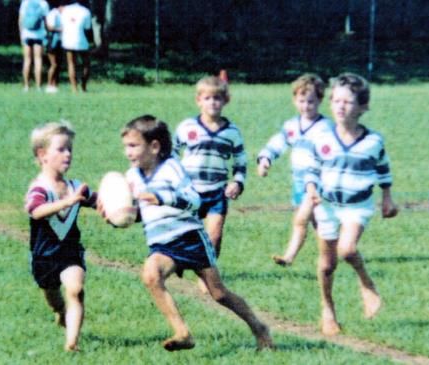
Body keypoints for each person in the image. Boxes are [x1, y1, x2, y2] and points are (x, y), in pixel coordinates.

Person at [108, 115, 273, 351]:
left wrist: (163, 197)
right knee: (151, 276)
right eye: (126, 146)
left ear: (154, 147)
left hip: (190, 238)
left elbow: (194, 201)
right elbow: (137, 214)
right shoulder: (132, 176)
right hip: (162, 244)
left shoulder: (172, 168)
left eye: (133, 146)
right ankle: (182, 332)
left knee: (219, 294)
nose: (128, 152)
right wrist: (115, 216)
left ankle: (259, 327)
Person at [303, 73, 398, 335]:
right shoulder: (322, 139)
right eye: (335, 101)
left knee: (347, 249)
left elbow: (383, 169)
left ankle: (367, 284)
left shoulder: (373, 142)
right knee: (326, 264)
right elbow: (311, 170)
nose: (340, 106)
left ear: (363, 106)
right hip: (327, 206)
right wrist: (311, 190)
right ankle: (328, 310)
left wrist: (387, 197)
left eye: (347, 101)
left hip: (358, 206)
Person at [25, 121, 96, 351]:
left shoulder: (76, 187)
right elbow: (35, 211)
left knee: (75, 290)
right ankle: (59, 312)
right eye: (61, 149)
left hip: (70, 254)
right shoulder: (39, 188)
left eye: (70, 149)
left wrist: (123, 208)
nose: (68, 154)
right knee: (53, 297)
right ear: (42, 154)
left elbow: (100, 202)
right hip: (43, 256)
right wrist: (67, 201)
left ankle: (71, 343)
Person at [172, 75, 246, 293]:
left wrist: (237, 183)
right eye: (207, 98)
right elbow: (172, 154)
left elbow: (240, 162)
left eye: (217, 98)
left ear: (225, 101)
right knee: (186, 234)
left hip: (216, 192)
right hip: (190, 192)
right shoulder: (187, 127)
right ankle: (180, 262)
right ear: (199, 101)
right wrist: (175, 180)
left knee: (214, 235)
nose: (212, 102)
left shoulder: (232, 132)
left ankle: (206, 277)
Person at [256, 74, 334, 267]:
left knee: (300, 219)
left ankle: (288, 257)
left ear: (320, 100)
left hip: (317, 182)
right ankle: (331, 252)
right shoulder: (291, 126)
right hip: (298, 181)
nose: (306, 105)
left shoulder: (325, 128)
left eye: (311, 101)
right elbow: (278, 143)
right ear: (294, 100)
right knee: (319, 222)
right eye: (301, 101)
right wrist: (265, 159)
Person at [60, 0, 92, 93]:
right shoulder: (85, 11)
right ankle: (83, 87)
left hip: (68, 40)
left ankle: (74, 88)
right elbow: (87, 27)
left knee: (71, 64)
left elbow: (62, 24)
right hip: (81, 40)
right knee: (86, 63)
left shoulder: (65, 10)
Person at [19, 0, 50, 91]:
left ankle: (26, 86)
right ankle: (38, 86)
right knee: (38, 60)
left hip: (26, 34)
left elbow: (20, 19)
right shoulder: (43, 3)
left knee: (27, 60)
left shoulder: (25, 2)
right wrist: (47, 35)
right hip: (39, 34)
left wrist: (21, 34)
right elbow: (46, 21)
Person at [45, 2, 63, 93]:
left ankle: (55, 84)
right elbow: (50, 27)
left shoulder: (61, 14)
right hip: (52, 41)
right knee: (54, 64)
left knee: (58, 65)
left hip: (60, 42)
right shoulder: (53, 14)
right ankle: (49, 84)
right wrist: (62, 29)